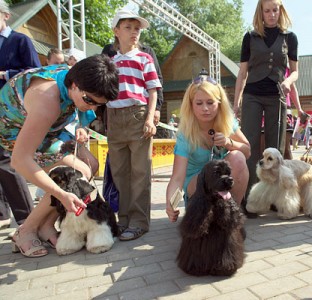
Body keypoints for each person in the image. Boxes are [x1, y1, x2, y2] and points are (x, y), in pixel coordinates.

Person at [0, 55, 119, 257]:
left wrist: (81, 128)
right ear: (73, 85)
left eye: (100, 104)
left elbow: (80, 107)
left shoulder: (76, 79)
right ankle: (26, 230)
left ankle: (46, 225)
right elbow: (20, 160)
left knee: (91, 164)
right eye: (89, 100)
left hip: (52, 129)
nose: (93, 108)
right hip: (14, 130)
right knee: (73, 176)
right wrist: (62, 195)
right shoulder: (46, 101)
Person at [233, 0, 298, 210]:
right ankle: (249, 197)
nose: (271, 14)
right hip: (252, 95)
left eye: (275, 10)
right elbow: (242, 73)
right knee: (249, 145)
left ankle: (274, 198)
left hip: (276, 97)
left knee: (276, 148)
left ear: (281, 11)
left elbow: (295, 71)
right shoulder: (250, 37)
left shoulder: (290, 37)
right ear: (260, 12)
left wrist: (288, 81)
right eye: (267, 10)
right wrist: (236, 104)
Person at [165, 74, 251, 223]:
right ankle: (203, 213)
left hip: (221, 182)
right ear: (191, 105)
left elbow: (247, 151)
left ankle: (231, 214)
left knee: (237, 157)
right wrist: (170, 204)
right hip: (196, 186)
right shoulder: (185, 133)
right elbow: (177, 177)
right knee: (210, 172)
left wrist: (228, 142)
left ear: (219, 103)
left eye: (210, 102)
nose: (205, 108)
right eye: (199, 103)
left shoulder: (228, 122)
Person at [107, 9, 162, 241]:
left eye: (137, 28)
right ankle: (125, 219)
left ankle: (139, 222)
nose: (133, 33)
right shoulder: (109, 62)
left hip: (138, 116)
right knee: (120, 173)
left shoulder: (145, 58)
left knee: (140, 171)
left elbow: (153, 90)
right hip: (114, 117)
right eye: (128, 27)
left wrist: (150, 118)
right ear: (116, 31)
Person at [0, 0, 41, 231]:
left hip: (12, 111)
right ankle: (2, 214)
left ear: (5, 16)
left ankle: (26, 216)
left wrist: (5, 74)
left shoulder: (20, 40)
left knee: (8, 160)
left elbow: (35, 72)